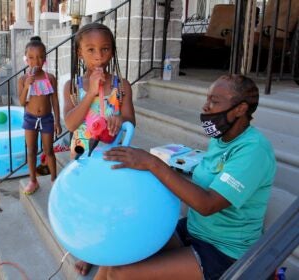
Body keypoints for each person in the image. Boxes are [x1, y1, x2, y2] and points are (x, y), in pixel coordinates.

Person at [95, 74, 276, 280]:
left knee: (121, 274)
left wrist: (153, 163)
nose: (206, 107)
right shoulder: (221, 138)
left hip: (225, 252)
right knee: (117, 252)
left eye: (214, 102)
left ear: (240, 109)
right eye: (207, 99)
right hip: (195, 230)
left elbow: (207, 204)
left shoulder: (254, 151)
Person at [63, 22, 136, 274]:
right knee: (86, 206)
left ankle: (105, 252)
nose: (98, 57)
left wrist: (121, 120)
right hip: (82, 159)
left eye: (105, 50)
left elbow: (130, 121)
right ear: (79, 53)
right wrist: (91, 93)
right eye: (91, 50)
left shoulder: (121, 86)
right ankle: (86, 250)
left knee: (109, 207)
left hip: (112, 158)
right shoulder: (72, 87)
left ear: (112, 52)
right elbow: (71, 123)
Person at [18, 36, 62, 195]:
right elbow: (22, 102)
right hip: (30, 119)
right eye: (31, 57)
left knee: (48, 150)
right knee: (31, 150)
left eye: (39, 57)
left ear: (44, 58)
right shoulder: (23, 79)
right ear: (26, 59)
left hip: (46, 119)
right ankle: (33, 180)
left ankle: (54, 179)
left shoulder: (50, 78)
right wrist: (27, 85)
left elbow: (55, 100)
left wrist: (57, 121)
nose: (35, 61)